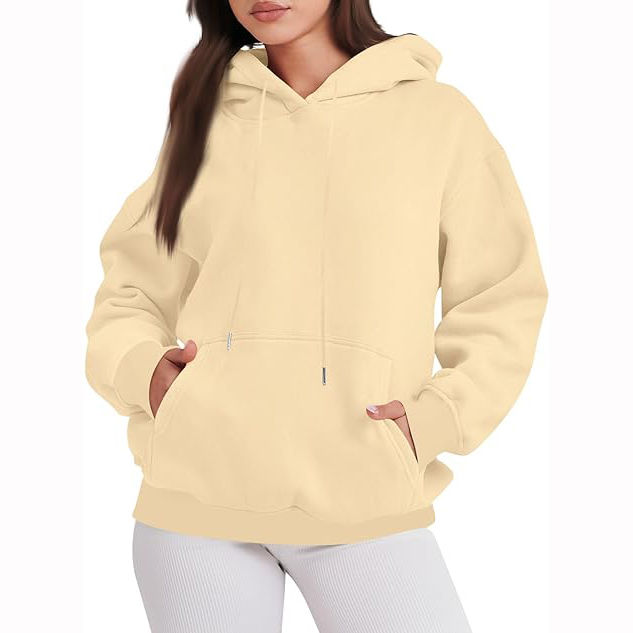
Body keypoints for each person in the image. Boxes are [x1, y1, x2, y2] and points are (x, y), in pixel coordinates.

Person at [84, 1, 548, 631]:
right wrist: (146, 375)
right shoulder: (206, 116)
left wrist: (439, 419)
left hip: (364, 497)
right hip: (196, 509)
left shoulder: (439, 120)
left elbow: (503, 295)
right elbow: (131, 288)